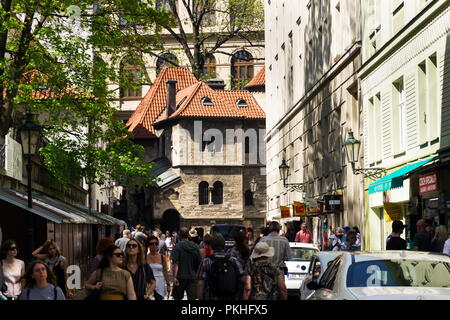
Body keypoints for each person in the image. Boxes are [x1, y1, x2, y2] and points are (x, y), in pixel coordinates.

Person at [197, 234, 245, 300]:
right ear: (224, 246)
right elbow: (242, 279)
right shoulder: (233, 260)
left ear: (211, 246)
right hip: (230, 297)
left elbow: (200, 284)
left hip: (211, 296)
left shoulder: (206, 262)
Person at [171, 227, 202, 300]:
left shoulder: (177, 247)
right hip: (192, 276)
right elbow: (199, 263)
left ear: (179, 235)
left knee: (177, 298)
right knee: (192, 298)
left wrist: (174, 277)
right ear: (188, 235)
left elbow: (175, 263)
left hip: (180, 276)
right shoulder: (195, 247)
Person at [147, 236, 171, 300]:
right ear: (148, 245)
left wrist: (168, 285)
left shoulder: (162, 257)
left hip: (160, 283)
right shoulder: (145, 258)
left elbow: (165, 271)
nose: (154, 245)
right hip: (149, 284)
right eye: (151, 244)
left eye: (156, 243)